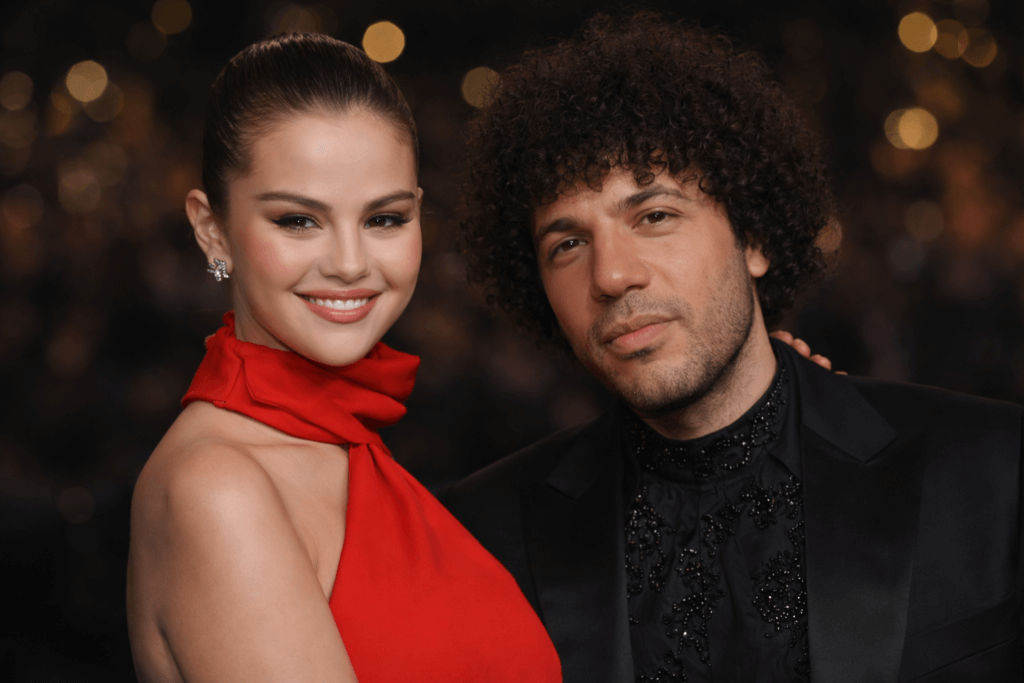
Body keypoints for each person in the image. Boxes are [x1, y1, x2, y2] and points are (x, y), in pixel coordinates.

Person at [444, 12, 1024, 683]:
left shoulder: (994, 471)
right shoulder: (480, 535)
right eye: (568, 243)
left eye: (654, 216)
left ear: (755, 239)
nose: (611, 275)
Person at [125, 34, 561, 683]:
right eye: (298, 220)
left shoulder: (348, 446)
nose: (351, 264)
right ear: (212, 230)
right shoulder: (217, 488)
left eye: (384, 219)